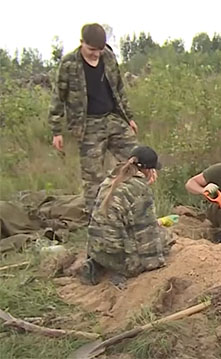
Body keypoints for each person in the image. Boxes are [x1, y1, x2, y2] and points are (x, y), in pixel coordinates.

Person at [48, 23, 139, 212]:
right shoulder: (69, 64)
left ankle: (134, 208)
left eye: (99, 50)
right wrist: (56, 131)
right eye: (91, 50)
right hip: (87, 124)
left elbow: (119, 89)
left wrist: (129, 118)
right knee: (93, 178)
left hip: (113, 118)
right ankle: (96, 219)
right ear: (82, 43)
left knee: (137, 159)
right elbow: (59, 96)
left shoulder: (108, 57)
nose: (96, 54)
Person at [81, 146, 170, 288]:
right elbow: (146, 232)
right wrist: (154, 262)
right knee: (166, 237)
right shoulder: (139, 189)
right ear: (147, 170)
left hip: (96, 250)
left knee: (115, 233)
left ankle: (97, 264)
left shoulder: (109, 180)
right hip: (120, 257)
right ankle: (121, 271)